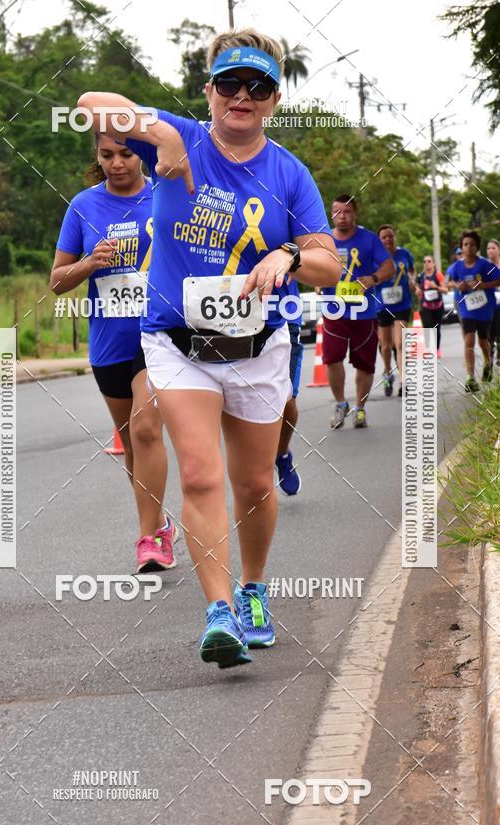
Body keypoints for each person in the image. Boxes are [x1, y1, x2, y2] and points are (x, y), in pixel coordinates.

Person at [78, 28, 340, 668]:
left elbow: (329, 264)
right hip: (176, 342)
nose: (241, 96)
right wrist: (154, 130)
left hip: (256, 345)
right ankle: (218, 611)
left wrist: (287, 254)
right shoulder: (181, 138)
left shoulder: (289, 172)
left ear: (274, 100)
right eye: (229, 83)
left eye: (257, 87)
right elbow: (92, 101)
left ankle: (253, 589)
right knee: (199, 473)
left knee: (252, 482)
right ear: (210, 92)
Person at [50, 134, 178, 573]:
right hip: (109, 342)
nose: (117, 163)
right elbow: (57, 281)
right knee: (130, 443)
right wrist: (88, 263)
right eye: (107, 155)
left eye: (126, 154)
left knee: (146, 429)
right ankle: (159, 520)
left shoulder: (167, 196)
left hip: (159, 334)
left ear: (141, 155)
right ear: (97, 157)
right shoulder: (83, 206)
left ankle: (149, 540)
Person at [317, 195, 395, 428]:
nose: (342, 216)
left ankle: (359, 409)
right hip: (334, 310)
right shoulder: (325, 239)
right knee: (332, 359)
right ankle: (341, 404)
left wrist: (373, 278)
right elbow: (312, 266)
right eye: (337, 211)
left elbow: (389, 266)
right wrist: (318, 282)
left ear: (355, 214)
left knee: (365, 364)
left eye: (347, 211)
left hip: (364, 313)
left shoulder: (369, 239)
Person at [446, 230, 500, 392]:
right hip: (466, 309)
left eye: (472, 244)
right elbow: (449, 282)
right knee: (469, 341)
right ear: (461, 247)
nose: (468, 247)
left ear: (477, 247)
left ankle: (488, 362)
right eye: (465, 244)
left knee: (483, 341)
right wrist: (458, 286)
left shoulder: (485, 265)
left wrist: (483, 285)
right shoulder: (457, 266)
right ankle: (470, 378)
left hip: (484, 309)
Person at [375, 225, 415, 397]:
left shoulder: (404, 254)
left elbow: (412, 270)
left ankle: (403, 381)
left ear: (395, 237)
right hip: (382, 305)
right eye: (384, 237)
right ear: (379, 240)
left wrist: (413, 280)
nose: (388, 240)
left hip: (402, 304)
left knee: (399, 343)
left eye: (390, 236)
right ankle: (387, 373)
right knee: (385, 346)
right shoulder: (374, 257)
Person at [274, 290, 304, 496]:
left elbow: (327, 263)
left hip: (284, 318)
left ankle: (282, 455)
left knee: (286, 401)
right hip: (232, 321)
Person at [416, 254, 446, 357]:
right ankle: (428, 349)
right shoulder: (421, 276)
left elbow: (445, 290)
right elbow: (417, 288)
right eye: (424, 262)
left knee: (436, 328)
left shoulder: (438, 275)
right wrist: (418, 291)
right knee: (427, 327)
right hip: (425, 306)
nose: (426, 263)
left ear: (433, 263)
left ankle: (437, 349)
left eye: (429, 261)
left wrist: (435, 287)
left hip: (438, 306)